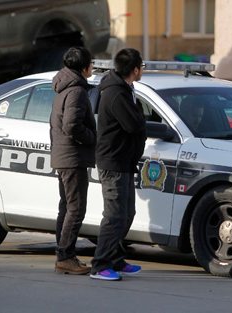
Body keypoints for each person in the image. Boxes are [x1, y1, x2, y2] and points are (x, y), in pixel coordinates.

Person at [90, 48, 147, 281]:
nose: (143, 70)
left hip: (124, 161)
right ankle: (99, 264)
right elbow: (133, 125)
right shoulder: (115, 93)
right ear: (134, 69)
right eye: (141, 66)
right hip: (113, 162)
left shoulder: (125, 89)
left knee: (127, 213)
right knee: (114, 216)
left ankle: (115, 258)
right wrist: (141, 118)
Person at [50, 46, 96, 275]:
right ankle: (65, 256)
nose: (93, 68)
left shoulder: (63, 87)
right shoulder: (77, 90)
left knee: (66, 207)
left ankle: (63, 253)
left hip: (64, 156)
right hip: (73, 156)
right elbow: (71, 125)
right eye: (92, 63)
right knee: (76, 209)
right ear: (84, 67)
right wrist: (92, 138)